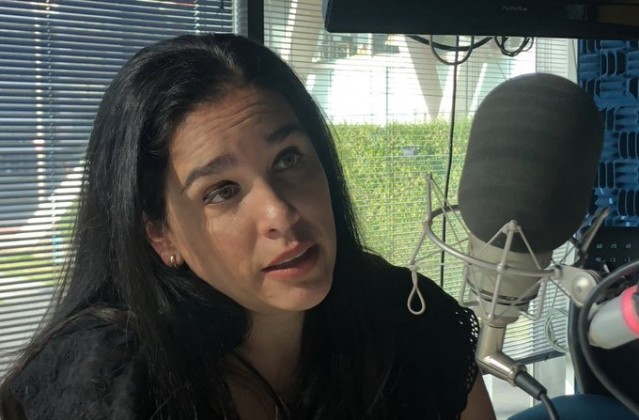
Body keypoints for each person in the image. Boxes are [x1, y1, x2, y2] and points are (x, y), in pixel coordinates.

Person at [0, 33, 495, 420]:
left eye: (289, 159)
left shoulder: (408, 319)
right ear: (160, 234)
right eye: (222, 191)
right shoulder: (106, 384)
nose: (280, 214)